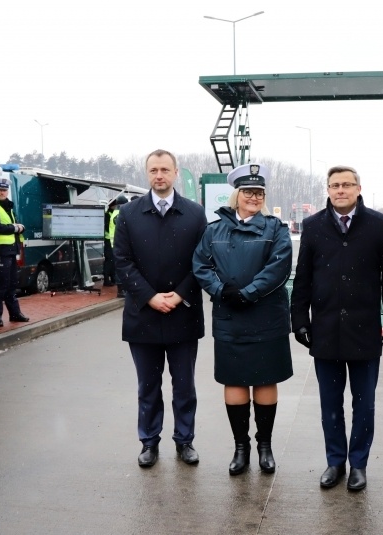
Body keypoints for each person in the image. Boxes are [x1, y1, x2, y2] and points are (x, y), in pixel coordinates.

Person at [290, 165, 383, 492]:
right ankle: (335, 462)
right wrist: (299, 320)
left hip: (364, 329)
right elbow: (303, 279)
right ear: (327, 189)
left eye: (346, 184)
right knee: (330, 403)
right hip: (325, 329)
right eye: (334, 185)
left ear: (358, 188)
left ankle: (359, 464)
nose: (340, 190)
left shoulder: (379, 226)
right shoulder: (313, 227)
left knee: (364, 402)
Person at [192, 163, 293, 476]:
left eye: (259, 192)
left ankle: (265, 445)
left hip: (266, 315)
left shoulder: (276, 228)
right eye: (249, 192)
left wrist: (247, 292)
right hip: (230, 315)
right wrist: (222, 291)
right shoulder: (214, 230)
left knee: (265, 379)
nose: (254, 197)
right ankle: (241, 447)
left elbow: (279, 267)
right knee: (234, 380)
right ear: (236, 195)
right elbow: (200, 265)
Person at [113, 149, 207, 468]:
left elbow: (202, 261)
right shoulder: (129, 214)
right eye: (153, 170)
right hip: (144, 316)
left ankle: (185, 441)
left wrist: (179, 294)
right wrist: (151, 297)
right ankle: (149, 442)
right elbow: (122, 262)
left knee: (184, 387)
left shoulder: (194, 214)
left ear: (176, 172)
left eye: (165, 169)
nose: (159, 175)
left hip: (183, 314)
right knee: (148, 387)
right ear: (147, 173)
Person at [0, 177, 28, 327]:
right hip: (0, 251)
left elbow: (9, 226)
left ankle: (15, 313)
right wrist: (15, 227)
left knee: (12, 284)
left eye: (4, 190)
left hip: (10, 250)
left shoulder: (7, 206)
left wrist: (19, 227)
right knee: (2, 286)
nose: (2, 192)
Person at [103, 193, 128, 293]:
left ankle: (118, 285)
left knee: (116, 264)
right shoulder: (119, 214)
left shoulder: (114, 213)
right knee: (117, 264)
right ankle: (121, 289)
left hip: (114, 243)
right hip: (116, 243)